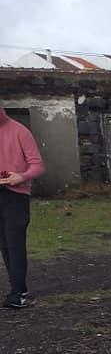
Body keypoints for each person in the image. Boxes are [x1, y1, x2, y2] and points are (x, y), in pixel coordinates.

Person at [0, 107, 45, 309]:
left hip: (16, 195)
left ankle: (19, 292)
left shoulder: (19, 131)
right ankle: (15, 289)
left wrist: (21, 176)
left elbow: (37, 165)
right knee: (4, 244)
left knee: (14, 243)